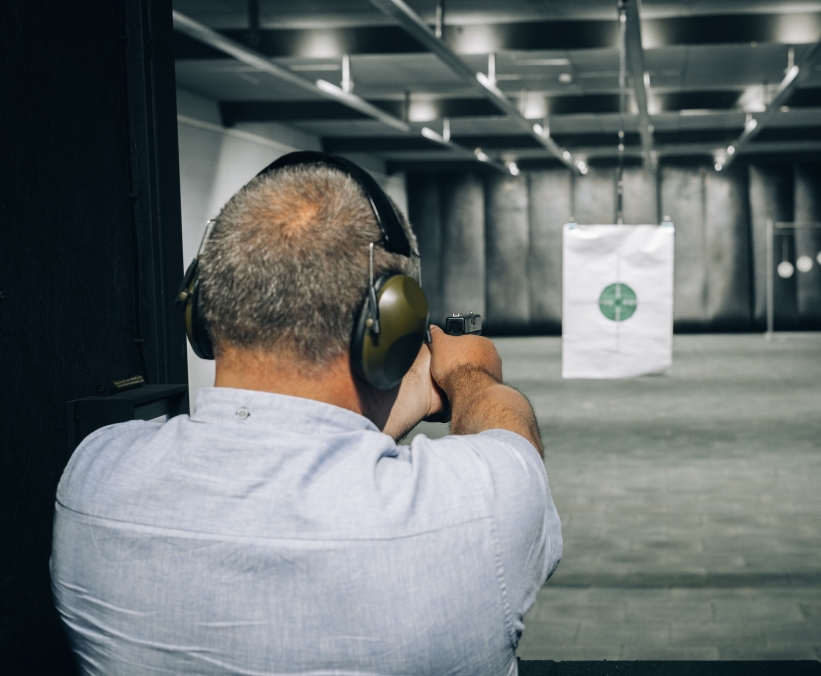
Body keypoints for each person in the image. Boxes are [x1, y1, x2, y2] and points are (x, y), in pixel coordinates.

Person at [50, 155, 562, 676]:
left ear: (201, 308)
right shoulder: (481, 505)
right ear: (393, 324)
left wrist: (388, 409)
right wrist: (470, 376)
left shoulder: (95, 474)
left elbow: (275, 468)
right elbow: (508, 432)